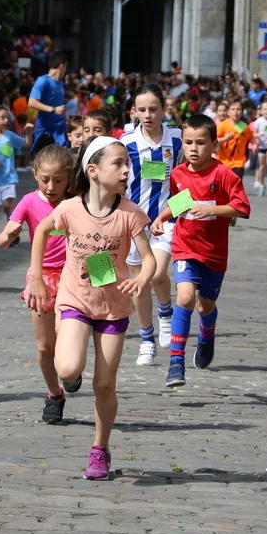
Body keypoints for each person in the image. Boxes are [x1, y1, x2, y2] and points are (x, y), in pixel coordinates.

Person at [26, 136, 155, 480]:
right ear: (94, 171)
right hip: (75, 299)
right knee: (68, 369)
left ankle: (100, 449)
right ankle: (73, 365)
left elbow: (149, 259)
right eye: (118, 164)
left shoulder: (130, 213)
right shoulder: (70, 208)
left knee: (104, 385)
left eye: (128, 164)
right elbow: (41, 232)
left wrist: (142, 279)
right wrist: (36, 277)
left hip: (113, 306)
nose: (127, 170)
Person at [148, 114, 250, 387]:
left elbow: (242, 208)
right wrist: (161, 217)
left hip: (214, 252)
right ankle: (176, 362)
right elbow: (180, 201)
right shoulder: (178, 174)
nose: (193, 148)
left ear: (214, 145)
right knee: (184, 298)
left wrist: (212, 209)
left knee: (206, 305)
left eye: (201, 143)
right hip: (185, 247)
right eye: (188, 142)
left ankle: (207, 335)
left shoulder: (224, 174)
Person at [0, 145, 77, 424]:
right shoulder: (29, 201)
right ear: (35, 175)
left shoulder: (76, 201)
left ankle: (70, 368)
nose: (51, 186)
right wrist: (10, 235)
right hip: (41, 277)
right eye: (45, 179)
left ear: (69, 178)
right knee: (44, 347)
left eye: (58, 180)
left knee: (67, 334)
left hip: (72, 275)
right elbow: (0, 243)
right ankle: (55, 394)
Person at [120, 85, 183, 366]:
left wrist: (175, 211)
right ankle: (146, 340)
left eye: (154, 109)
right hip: (134, 222)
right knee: (140, 283)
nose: (148, 115)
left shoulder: (178, 138)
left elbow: (188, 183)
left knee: (156, 273)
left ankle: (166, 313)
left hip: (167, 218)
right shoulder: (126, 142)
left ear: (164, 109)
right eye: (142, 110)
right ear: (134, 111)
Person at [28, 53, 69, 154]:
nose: (66, 71)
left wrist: (65, 117)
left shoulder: (60, 84)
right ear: (61, 66)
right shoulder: (42, 81)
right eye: (66, 67)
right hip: (44, 133)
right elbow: (32, 102)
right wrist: (53, 110)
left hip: (59, 132)